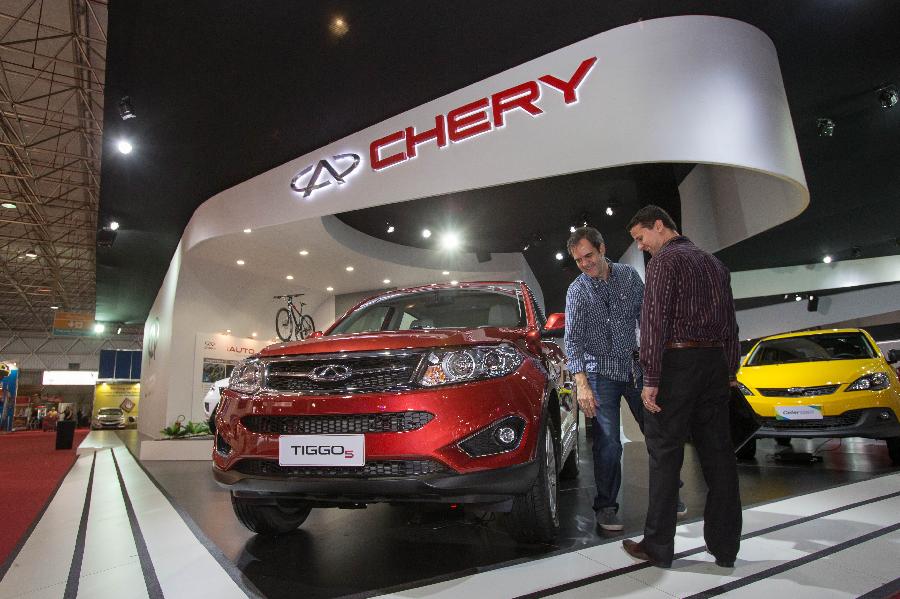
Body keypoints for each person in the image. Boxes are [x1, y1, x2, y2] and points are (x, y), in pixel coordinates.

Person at [622, 205, 742, 569]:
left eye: (641, 238)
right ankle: (725, 549)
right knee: (720, 457)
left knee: (664, 454)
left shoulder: (664, 263)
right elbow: (730, 323)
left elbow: (655, 320)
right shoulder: (714, 264)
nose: (641, 246)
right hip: (714, 366)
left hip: (676, 367)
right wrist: (730, 370)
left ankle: (659, 547)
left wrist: (652, 378)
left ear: (659, 226)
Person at [564, 226, 648, 531]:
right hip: (600, 372)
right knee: (609, 442)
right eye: (578, 260)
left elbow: (648, 319)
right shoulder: (577, 291)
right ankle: (606, 506)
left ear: (602, 248)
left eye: (588, 256)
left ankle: (668, 494)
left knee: (658, 434)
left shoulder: (629, 277)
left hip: (635, 367)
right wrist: (581, 384)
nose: (585, 263)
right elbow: (572, 341)